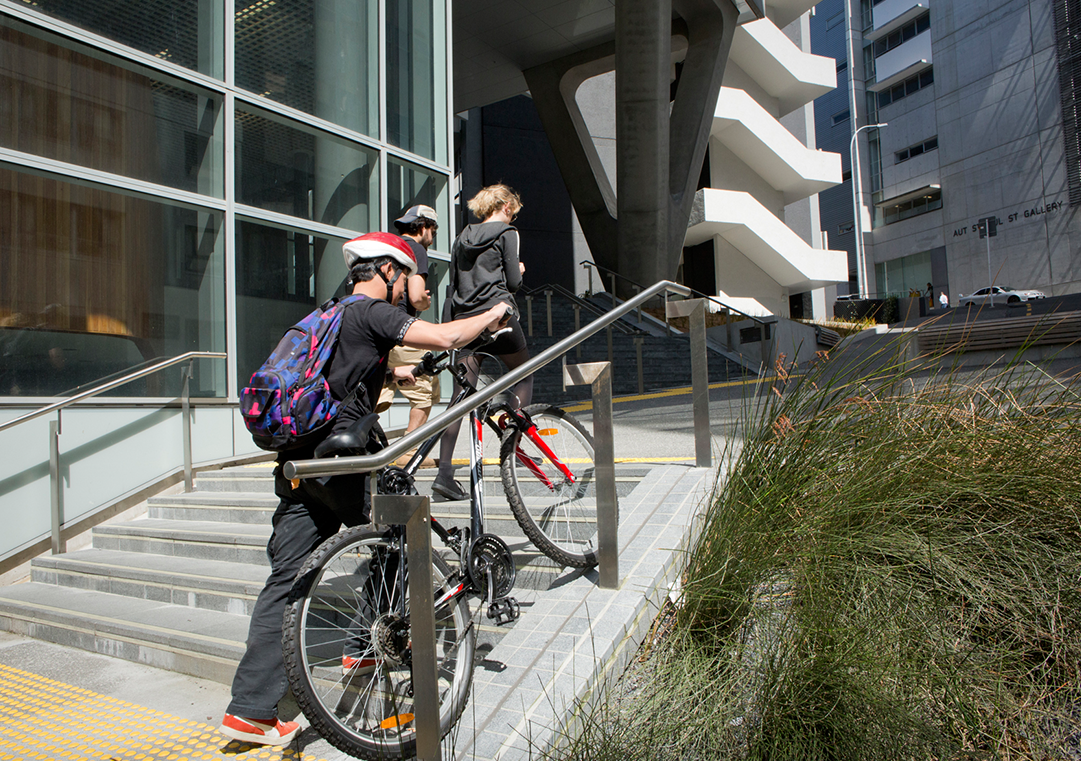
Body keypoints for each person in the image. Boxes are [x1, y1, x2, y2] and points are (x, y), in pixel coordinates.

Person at [219, 232, 510, 747]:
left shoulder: (332, 313)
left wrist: (403, 371)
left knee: (287, 579)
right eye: (405, 277)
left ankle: (251, 710)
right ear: (388, 273)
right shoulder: (371, 311)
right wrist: (494, 314)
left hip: (301, 465)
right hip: (345, 460)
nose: (406, 287)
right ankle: (370, 644)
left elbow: (352, 373)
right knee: (403, 527)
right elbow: (445, 337)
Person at [432, 184, 531, 502]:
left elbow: (454, 281)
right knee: (523, 374)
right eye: (511, 211)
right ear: (503, 206)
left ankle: (444, 474)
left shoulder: (462, 236)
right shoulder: (507, 233)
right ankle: (512, 447)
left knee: (460, 400)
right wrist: (517, 269)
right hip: (498, 316)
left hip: (466, 323)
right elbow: (513, 283)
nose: (512, 216)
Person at [377, 205, 440, 467]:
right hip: (402, 329)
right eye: (432, 230)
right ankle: (405, 450)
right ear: (423, 227)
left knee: (378, 389)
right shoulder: (416, 249)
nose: (432, 236)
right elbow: (414, 296)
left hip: (377, 327)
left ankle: (367, 445)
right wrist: (424, 303)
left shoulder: (387, 246)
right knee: (425, 392)